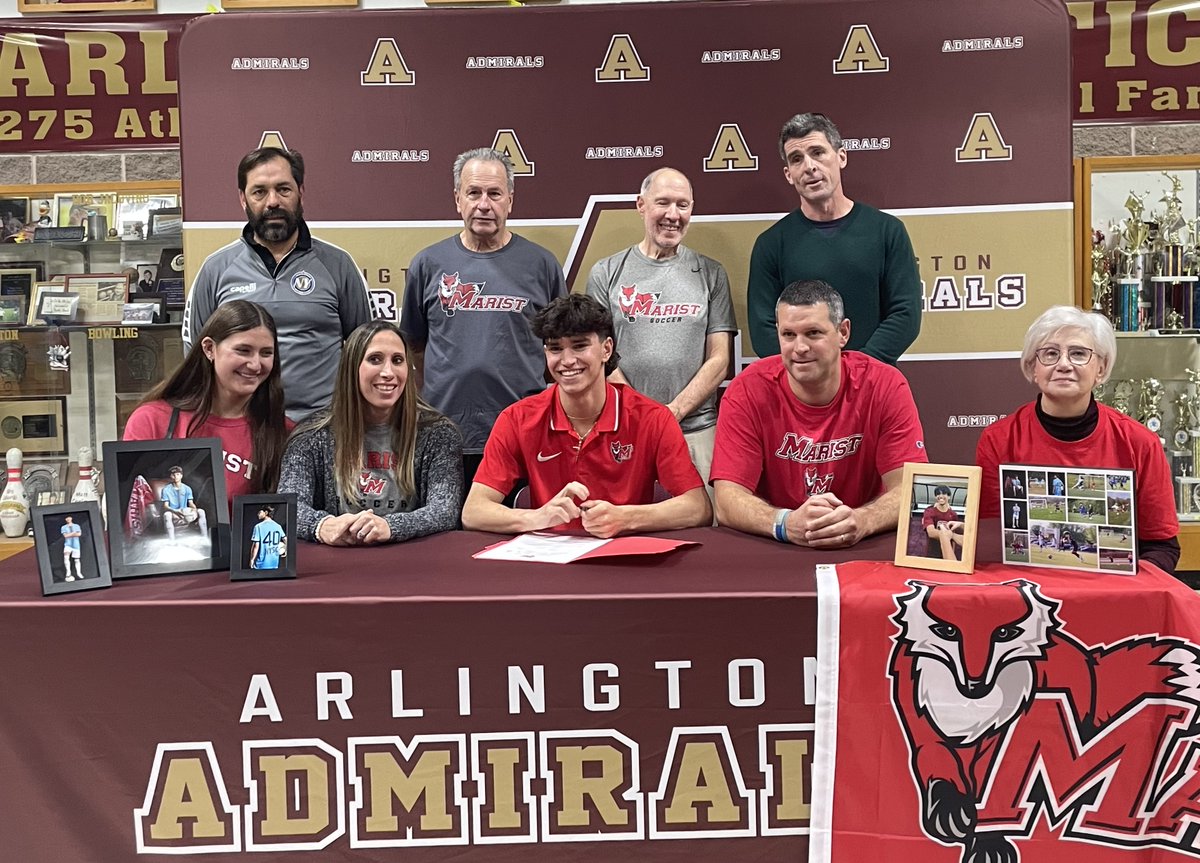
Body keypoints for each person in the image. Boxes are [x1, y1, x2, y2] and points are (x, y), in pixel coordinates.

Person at [461, 294, 712, 537]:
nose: (567, 360)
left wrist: (626, 518)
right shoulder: (516, 419)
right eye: (555, 348)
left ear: (606, 349)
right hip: (547, 561)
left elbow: (698, 508)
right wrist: (536, 517)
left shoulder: (653, 419)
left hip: (625, 560)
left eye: (580, 346)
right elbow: (474, 512)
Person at [711, 280, 927, 547]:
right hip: (777, 546)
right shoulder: (747, 389)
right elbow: (727, 499)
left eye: (813, 333)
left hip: (863, 543)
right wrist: (785, 523)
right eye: (788, 335)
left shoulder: (885, 384)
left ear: (843, 332)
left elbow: (910, 487)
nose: (799, 348)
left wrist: (863, 520)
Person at [401, 147, 567, 484]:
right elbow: (414, 349)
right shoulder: (427, 264)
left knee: (522, 534)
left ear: (510, 200)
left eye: (494, 193)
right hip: (444, 437)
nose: (483, 204)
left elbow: (562, 351)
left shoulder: (542, 265)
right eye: (473, 192)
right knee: (447, 535)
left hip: (524, 437)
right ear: (457, 199)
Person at [976, 306, 1180, 573]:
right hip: (1031, 593)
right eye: (1050, 353)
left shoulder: (1140, 443)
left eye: (1078, 354)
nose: (1063, 364)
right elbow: (992, 546)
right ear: (1033, 368)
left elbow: (1162, 547)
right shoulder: (998, 440)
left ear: (1101, 368)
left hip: (1115, 598)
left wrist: (1126, 592)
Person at [183, 146, 373, 421]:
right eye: (259, 191)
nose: (273, 201)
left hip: (323, 426)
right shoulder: (216, 270)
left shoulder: (337, 264)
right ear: (243, 199)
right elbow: (195, 351)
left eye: (283, 189)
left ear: (300, 193)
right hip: (244, 427)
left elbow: (365, 349)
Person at [586, 167, 736, 484]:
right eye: (663, 203)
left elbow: (720, 359)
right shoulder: (606, 272)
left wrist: (673, 412)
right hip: (625, 431)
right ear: (641, 205)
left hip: (698, 431)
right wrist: (644, 417)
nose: (673, 215)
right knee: (626, 524)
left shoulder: (711, 273)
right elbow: (599, 356)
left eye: (683, 205)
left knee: (706, 528)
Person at [746, 113, 920, 364]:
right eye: (797, 159)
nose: (809, 166)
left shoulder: (887, 231)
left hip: (871, 385)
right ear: (788, 174)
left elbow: (905, 314)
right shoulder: (771, 244)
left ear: (841, 157)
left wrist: (853, 371)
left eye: (818, 152)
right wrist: (813, 372)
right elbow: (763, 330)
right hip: (801, 391)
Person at [279, 321, 463, 545]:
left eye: (397, 360)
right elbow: (287, 506)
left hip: (411, 563)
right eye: (375, 359)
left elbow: (445, 509)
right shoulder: (311, 436)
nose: (388, 372)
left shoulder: (438, 434)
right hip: (336, 564)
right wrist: (322, 525)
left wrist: (389, 527)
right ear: (352, 367)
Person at [124, 300, 291, 502]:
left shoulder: (285, 433)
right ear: (209, 348)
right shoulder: (151, 420)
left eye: (266, 353)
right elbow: (130, 513)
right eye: (243, 350)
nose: (256, 364)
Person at [160, 466, 208, 542]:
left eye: (178, 474)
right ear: (171, 476)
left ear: (181, 475)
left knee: (201, 511)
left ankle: (204, 536)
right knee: (167, 515)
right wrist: (176, 512)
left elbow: (191, 503)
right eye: (174, 474)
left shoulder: (187, 488)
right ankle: (171, 540)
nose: (176, 476)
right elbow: (165, 506)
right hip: (174, 512)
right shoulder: (166, 489)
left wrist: (194, 509)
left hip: (185, 511)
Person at [922, 485, 964, 560]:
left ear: (949, 497)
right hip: (932, 553)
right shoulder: (929, 511)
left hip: (947, 553)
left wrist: (952, 552)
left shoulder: (953, 515)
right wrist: (949, 535)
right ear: (935, 497)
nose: (940, 496)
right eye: (938, 494)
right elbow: (931, 532)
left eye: (944, 494)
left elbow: (953, 538)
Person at [249, 505, 285, 569]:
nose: (258, 514)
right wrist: (286, 549)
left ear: (266, 513)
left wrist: (252, 559)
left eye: (260, 512)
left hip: (261, 564)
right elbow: (285, 539)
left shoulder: (258, 527)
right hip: (274, 563)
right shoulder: (278, 526)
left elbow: (255, 546)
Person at [60, 516, 84, 581]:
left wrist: (70, 534)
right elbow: (65, 536)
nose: (68, 519)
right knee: (66, 557)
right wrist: (73, 533)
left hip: (76, 545)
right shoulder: (63, 527)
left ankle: (78, 573)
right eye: (66, 518)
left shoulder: (76, 526)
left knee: (77, 559)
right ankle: (68, 572)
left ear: (71, 518)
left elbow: (79, 534)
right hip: (68, 545)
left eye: (69, 517)